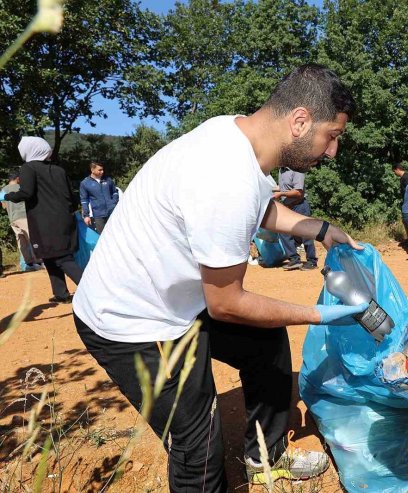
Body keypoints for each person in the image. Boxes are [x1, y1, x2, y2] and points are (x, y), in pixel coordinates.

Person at [71, 64, 364, 492]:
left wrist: (320, 229)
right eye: (332, 135)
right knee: (198, 446)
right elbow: (226, 303)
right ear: (300, 121)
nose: (333, 150)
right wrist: (322, 314)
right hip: (132, 321)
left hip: (179, 301)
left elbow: (261, 207)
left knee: (267, 344)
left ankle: (266, 458)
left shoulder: (233, 133)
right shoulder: (225, 178)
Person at [0, 137, 82, 303]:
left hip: (44, 220)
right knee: (49, 255)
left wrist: (7, 196)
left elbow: (26, 193)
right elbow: (72, 197)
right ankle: (61, 294)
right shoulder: (59, 170)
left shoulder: (28, 168)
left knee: (62, 258)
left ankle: (93, 290)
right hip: (65, 218)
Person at [275, 166, 319, 270]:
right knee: (283, 231)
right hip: (288, 207)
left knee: (306, 234)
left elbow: (298, 192)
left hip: (299, 205)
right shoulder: (281, 170)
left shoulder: (297, 171)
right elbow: (283, 187)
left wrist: (281, 193)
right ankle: (294, 260)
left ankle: (312, 261)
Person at [2, 171, 42, 270]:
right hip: (23, 216)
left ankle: (29, 264)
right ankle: (39, 261)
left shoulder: (3, 190)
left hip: (12, 218)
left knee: (21, 242)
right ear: (18, 178)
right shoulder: (21, 187)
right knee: (32, 238)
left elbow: (4, 206)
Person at [79, 161, 119, 234]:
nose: (102, 171)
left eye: (102, 169)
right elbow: (84, 200)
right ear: (92, 170)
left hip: (113, 212)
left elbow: (115, 192)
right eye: (99, 170)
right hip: (99, 215)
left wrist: (114, 202)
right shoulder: (85, 183)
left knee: (116, 234)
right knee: (103, 236)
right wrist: (86, 216)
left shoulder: (108, 179)